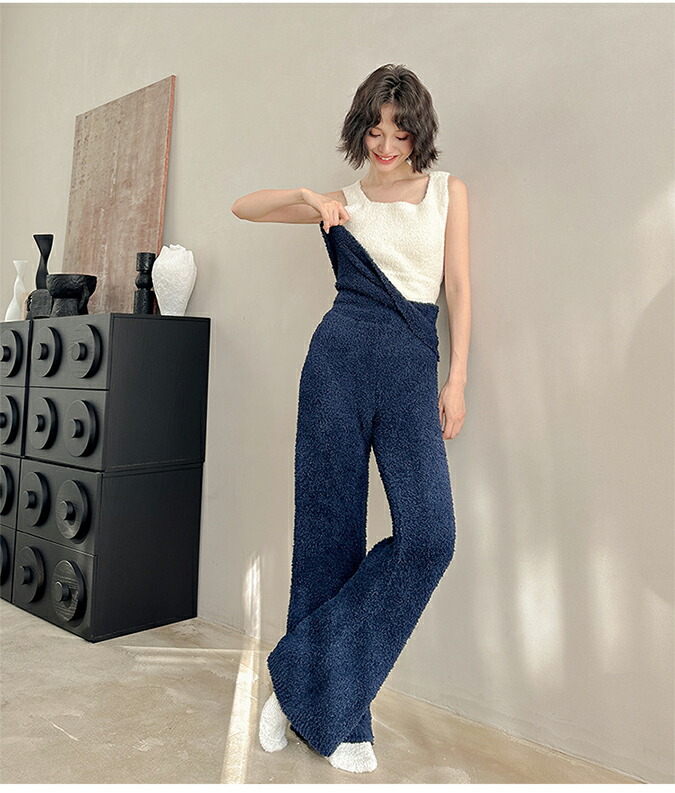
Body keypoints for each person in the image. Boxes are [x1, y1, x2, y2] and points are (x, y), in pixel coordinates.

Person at [231, 63, 470, 774]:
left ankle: (296, 680)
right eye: (374, 131)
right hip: (335, 363)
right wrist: (308, 197)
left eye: (400, 132)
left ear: (418, 132)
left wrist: (457, 377)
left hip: (410, 369)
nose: (386, 145)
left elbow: (458, 287)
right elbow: (244, 207)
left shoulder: (448, 193)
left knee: (430, 535)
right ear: (360, 130)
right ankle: (341, 719)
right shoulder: (342, 202)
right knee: (327, 536)